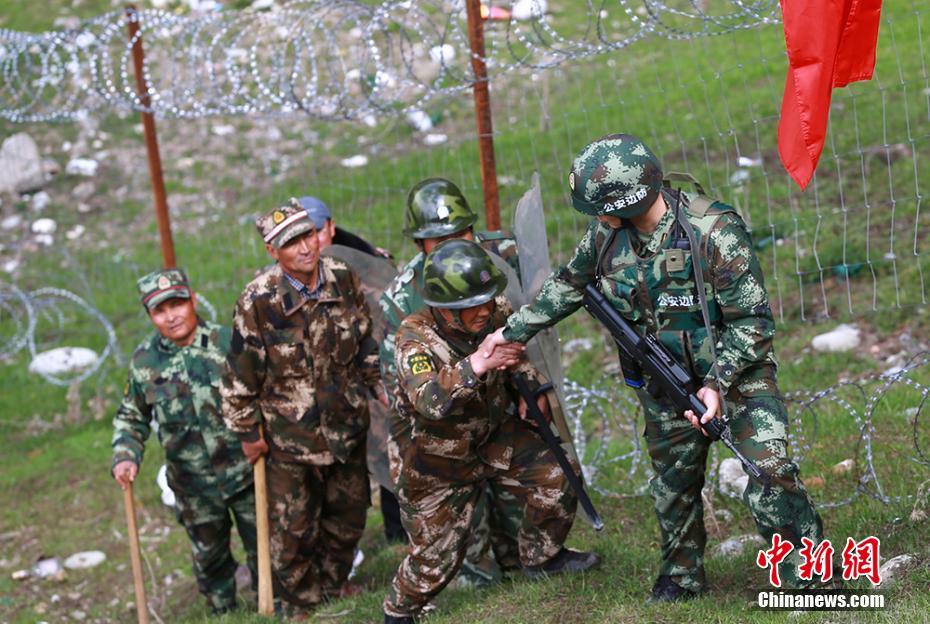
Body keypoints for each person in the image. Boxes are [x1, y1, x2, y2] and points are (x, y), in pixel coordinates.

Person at [483, 133, 825, 601]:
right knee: (673, 485)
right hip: (664, 387)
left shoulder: (712, 232)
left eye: (598, 204)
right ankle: (680, 577)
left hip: (738, 379)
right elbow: (569, 285)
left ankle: (808, 575)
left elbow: (753, 321)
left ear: (624, 200)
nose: (594, 215)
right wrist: (511, 333)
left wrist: (717, 384)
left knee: (770, 472)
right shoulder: (606, 236)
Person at [382, 239, 600, 624]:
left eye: (488, 299)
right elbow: (430, 401)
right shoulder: (414, 339)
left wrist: (531, 386)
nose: (486, 310)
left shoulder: (495, 309)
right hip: (435, 460)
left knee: (558, 476)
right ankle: (398, 612)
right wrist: (480, 361)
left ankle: (541, 557)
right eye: (473, 306)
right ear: (446, 309)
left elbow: (516, 355)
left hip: (493, 434)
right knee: (436, 558)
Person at [221, 200, 384, 617]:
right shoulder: (258, 300)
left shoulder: (344, 278)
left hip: (346, 425)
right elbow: (240, 375)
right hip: (289, 438)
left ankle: (333, 585)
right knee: (292, 530)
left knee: (347, 519)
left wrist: (377, 383)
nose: (305, 248)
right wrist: (247, 433)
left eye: (308, 235)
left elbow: (364, 339)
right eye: (291, 242)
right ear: (273, 252)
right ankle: (303, 602)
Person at [378, 177, 525, 584]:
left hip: (500, 403)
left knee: (517, 493)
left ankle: (522, 561)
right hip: (439, 421)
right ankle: (478, 578)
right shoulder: (402, 297)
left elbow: (530, 322)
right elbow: (407, 383)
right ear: (418, 244)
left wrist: (536, 384)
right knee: (462, 527)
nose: (452, 244)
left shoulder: (501, 253)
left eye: (461, 233)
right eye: (437, 239)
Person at [111, 268, 257, 615]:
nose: (171, 316)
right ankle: (225, 615)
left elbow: (261, 395)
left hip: (246, 472)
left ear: (193, 300)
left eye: (177, 304)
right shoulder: (145, 362)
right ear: (150, 315)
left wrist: (260, 435)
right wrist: (125, 455)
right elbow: (131, 416)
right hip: (193, 485)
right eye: (160, 310)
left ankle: (274, 607)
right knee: (210, 559)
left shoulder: (227, 343)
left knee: (266, 546)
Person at [297, 194, 407, 544]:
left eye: (315, 231)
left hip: (373, 372)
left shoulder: (369, 263)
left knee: (390, 445)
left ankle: (399, 533)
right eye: (300, 235)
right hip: (323, 388)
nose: (310, 242)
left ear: (330, 227)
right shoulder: (285, 278)